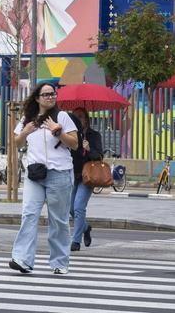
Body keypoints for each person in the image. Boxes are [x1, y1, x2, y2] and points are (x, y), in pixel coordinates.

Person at [9, 83, 78, 275]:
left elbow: (74, 144)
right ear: (37, 98)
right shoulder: (28, 119)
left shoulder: (62, 116)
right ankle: (22, 259)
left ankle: (59, 262)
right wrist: (25, 132)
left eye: (52, 94)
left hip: (60, 174)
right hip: (35, 174)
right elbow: (16, 142)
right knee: (29, 215)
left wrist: (59, 132)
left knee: (58, 220)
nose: (50, 97)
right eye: (46, 94)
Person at [69, 107, 104, 252]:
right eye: (75, 117)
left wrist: (89, 149)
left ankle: (75, 241)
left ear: (86, 119)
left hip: (87, 177)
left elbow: (99, 157)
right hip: (73, 175)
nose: (78, 119)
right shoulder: (71, 135)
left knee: (78, 207)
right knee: (70, 209)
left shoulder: (94, 135)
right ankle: (85, 227)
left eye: (81, 117)